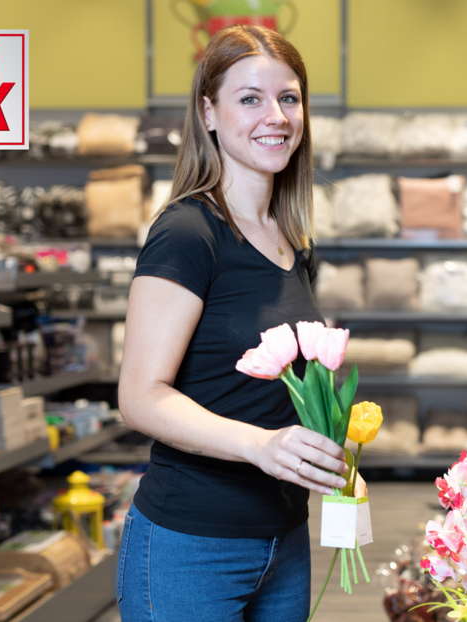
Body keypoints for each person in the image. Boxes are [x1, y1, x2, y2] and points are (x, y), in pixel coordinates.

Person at [116, 25, 365, 622]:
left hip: (284, 538)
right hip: (191, 544)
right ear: (208, 112)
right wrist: (261, 445)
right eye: (250, 98)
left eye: (289, 97)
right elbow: (139, 397)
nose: (275, 116)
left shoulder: (294, 240)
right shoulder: (187, 233)